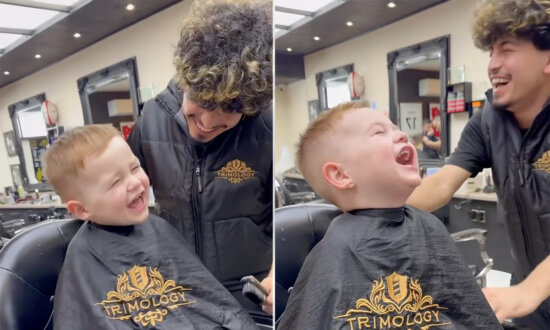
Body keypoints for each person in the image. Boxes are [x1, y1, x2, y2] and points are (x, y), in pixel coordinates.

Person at [277, 102, 501, 329]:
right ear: (340, 174)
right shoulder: (335, 249)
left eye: (396, 128)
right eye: (379, 132)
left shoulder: (429, 226)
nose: (402, 135)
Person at [407, 0, 550, 327]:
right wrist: (375, 209)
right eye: (490, 52)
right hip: (530, 294)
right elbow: (443, 184)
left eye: (506, 50)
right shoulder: (488, 121)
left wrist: (530, 290)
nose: (493, 64)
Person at [127, 0, 273, 314]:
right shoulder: (151, 118)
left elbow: (280, 220)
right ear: (185, 80)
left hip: (247, 297)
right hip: (178, 293)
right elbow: (124, 193)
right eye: (201, 101)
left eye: (229, 110)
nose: (207, 123)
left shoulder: (265, 128)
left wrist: (276, 272)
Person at [43, 125, 258, 329]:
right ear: (81, 209)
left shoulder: (160, 229)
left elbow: (209, 302)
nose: (135, 182)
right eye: (116, 182)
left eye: (135, 167)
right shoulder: (83, 258)